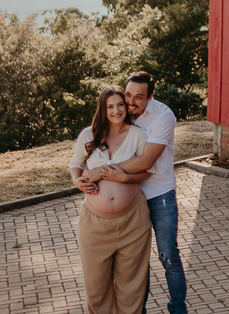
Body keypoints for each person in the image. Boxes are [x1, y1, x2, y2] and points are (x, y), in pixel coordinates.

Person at [100, 71, 187, 314]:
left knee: (168, 255)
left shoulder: (163, 116)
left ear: (150, 97)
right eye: (128, 94)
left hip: (160, 194)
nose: (131, 102)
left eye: (139, 97)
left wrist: (103, 171)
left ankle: (178, 309)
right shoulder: (121, 112)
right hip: (131, 195)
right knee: (136, 262)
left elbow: (147, 160)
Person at [70, 86, 154, 314]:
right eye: (110, 106)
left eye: (119, 105)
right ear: (103, 109)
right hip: (95, 225)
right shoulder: (89, 135)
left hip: (133, 222)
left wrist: (124, 177)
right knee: (97, 290)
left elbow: (148, 170)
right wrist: (77, 182)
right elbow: (75, 165)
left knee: (132, 289)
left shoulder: (137, 135)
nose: (116, 111)